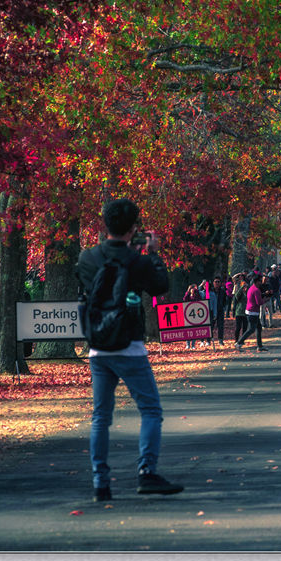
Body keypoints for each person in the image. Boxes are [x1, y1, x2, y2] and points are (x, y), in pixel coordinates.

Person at [76, 197, 182, 501]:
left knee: (101, 416)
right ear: (134, 227)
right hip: (130, 345)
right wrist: (154, 253)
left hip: (98, 347)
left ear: (104, 224)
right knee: (150, 410)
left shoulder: (87, 258)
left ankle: (101, 482)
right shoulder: (139, 261)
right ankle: (147, 472)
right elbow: (160, 286)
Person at [236, 274, 267, 352]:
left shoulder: (251, 288)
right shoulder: (256, 290)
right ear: (256, 282)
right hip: (253, 312)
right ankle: (239, 342)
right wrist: (265, 300)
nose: (261, 283)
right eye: (260, 281)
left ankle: (259, 346)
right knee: (251, 329)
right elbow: (259, 302)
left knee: (258, 328)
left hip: (250, 311)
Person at [183, 284, 203, 349]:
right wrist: (187, 292)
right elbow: (184, 299)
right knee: (188, 329)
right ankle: (188, 344)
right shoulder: (188, 296)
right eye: (191, 289)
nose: (193, 290)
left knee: (194, 330)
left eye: (194, 289)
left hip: (195, 315)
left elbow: (199, 302)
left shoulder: (197, 296)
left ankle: (193, 345)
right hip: (188, 315)